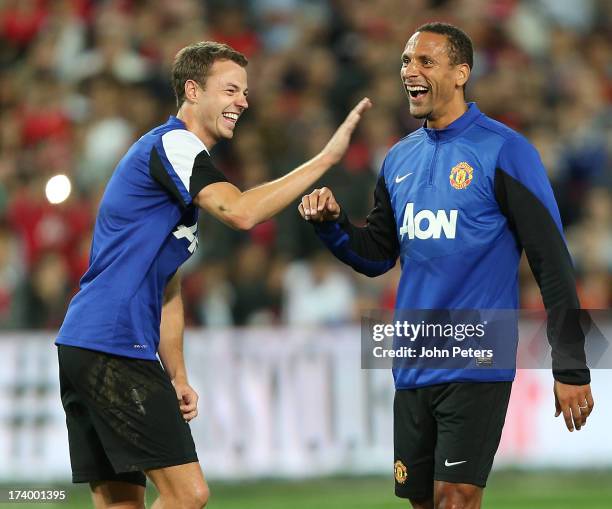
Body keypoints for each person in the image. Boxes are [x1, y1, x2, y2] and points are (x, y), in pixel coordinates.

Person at [55, 41, 370, 509]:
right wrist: (324, 160)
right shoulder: (174, 143)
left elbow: (167, 285)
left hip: (86, 344)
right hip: (113, 344)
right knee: (189, 495)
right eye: (230, 89)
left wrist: (178, 373)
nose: (243, 100)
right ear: (192, 90)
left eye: (245, 91)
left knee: (123, 505)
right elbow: (241, 212)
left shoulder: (172, 170)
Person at [298, 23, 594, 509]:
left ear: (461, 73)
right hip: (413, 355)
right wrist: (332, 225)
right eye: (405, 62)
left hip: (479, 352)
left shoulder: (505, 151)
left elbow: (552, 262)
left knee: (455, 497)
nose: (409, 71)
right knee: (422, 502)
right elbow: (376, 255)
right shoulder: (398, 159)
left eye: (425, 62)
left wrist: (570, 366)